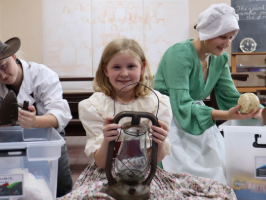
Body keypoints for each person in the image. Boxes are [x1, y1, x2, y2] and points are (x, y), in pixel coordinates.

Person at [57, 38, 237, 199]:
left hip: (146, 175)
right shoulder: (92, 106)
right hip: (105, 175)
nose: (124, 73)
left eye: (131, 66)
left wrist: (160, 140)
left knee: (220, 193)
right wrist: (107, 140)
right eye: (116, 67)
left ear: (142, 67)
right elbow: (102, 163)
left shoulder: (159, 102)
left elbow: (155, 158)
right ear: (105, 70)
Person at [154, 3, 263, 185]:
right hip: (168, 121)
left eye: (231, 37)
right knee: (183, 179)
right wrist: (226, 115)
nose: (227, 43)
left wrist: (260, 112)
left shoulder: (219, 59)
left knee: (220, 173)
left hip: (198, 118)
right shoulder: (180, 54)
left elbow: (230, 96)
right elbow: (180, 105)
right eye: (223, 36)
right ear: (208, 31)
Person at [0, 35, 73, 197]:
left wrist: (35, 121)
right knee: (13, 186)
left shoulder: (43, 76)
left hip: (47, 140)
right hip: (10, 141)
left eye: (4, 66)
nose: (2, 75)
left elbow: (59, 116)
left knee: (61, 187)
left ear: (14, 57)